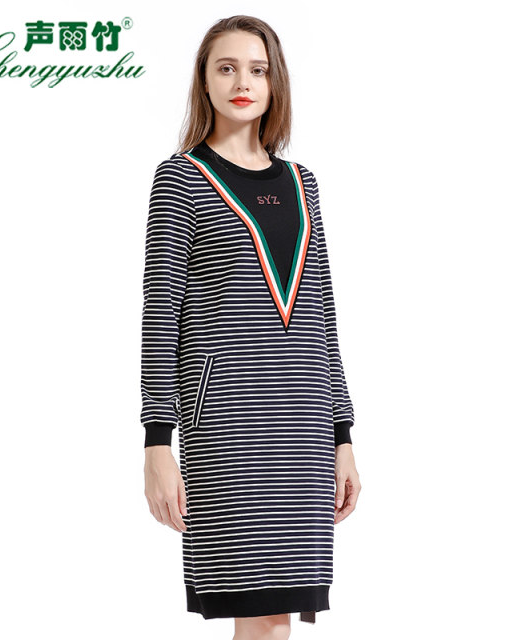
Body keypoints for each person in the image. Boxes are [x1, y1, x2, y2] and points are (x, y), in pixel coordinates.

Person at [141, 15, 361, 639]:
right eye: (227, 68)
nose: (243, 82)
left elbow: (323, 315)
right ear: (204, 81)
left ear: (274, 82)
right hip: (228, 426)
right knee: (258, 612)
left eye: (257, 70)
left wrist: (343, 434)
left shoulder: (302, 183)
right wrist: (157, 442)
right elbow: (160, 314)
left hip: (304, 429)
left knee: (277, 618)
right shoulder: (180, 178)